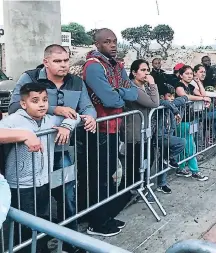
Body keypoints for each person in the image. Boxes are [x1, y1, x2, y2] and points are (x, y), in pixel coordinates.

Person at [8, 44, 96, 252]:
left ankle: (70, 242)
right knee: (34, 201)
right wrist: (57, 109)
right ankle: (32, 245)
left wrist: (90, 117)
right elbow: (13, 107)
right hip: (32, 152)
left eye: (66, 60)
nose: (64, 65)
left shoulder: (76, 82)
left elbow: (87, 107)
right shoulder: (30, 78)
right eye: (58, 61)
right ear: (46, 61)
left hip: (61, 150)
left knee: (67, 195)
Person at [0, 83, 80, 253]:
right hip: (21, 185)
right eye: (35, 101)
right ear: (23, 104)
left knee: (40, 222)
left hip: (43, 181)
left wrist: (66, 126)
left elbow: (75, 117)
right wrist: (24, 134)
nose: (42, 104)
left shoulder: (49, 119)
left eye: (44, 100)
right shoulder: (14, 121)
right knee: (25, 230)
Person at [83, 28, 138, 237]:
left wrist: (120, 92)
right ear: (97, 44)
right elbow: (111, 100)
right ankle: (96, 223)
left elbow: (132, 92)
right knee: (99, 177)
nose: (113, 45)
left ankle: (104, 216)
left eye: (115, 41)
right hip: (99, 129)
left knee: (108, 175)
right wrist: (120, 93)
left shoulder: (116, 66)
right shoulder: (94, 67)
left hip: (114, 127)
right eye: (107, 42)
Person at [121, 59, 159, 201]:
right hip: (135, 133)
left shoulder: (143, 87)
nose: (146, 73)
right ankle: (132, 191)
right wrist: (153, 84)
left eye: (147, 70)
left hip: (145, 131)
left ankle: (140, 187)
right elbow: (154, 103)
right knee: (134, 164)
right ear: (133, 72)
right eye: (143, 70)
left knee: (147, 160)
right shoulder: (133, 88)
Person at [175, 65, 210, 181]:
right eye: (187, 74)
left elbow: (202, 94)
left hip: (190, 119)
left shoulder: (190, 85)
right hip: (182, 120)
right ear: (181, 75)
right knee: (190, 146)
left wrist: (198, 82)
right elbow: (185, 96)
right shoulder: (179, 86)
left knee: (185, 144)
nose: (190, 76)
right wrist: (201, 99)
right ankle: (195, 171)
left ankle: (180, 167)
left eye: (191, 74)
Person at [156, 84, 187, 193]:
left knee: (164, 159)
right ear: (162, 96)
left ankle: (162, 183)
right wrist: (175, 110)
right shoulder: (161, 104)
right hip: (159, 136)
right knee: (182, 142)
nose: (172, 98)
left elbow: (183, 99)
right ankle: (169, 158)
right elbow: (164, 102)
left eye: (173, 96)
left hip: (168, 135)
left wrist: (175, 106)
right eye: (169, 96)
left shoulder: (171, 104)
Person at [192, 64, 216, 143]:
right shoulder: (193, 83)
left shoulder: (199, 82)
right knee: (193, 133)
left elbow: (203, 93)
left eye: (204, 72)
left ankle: (213, 135)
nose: (203, 74)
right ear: (195, 73)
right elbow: (202, 93)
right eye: (201, 72)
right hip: (193, 112)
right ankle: (213, 136)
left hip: (199, 111)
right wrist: (215, 95)